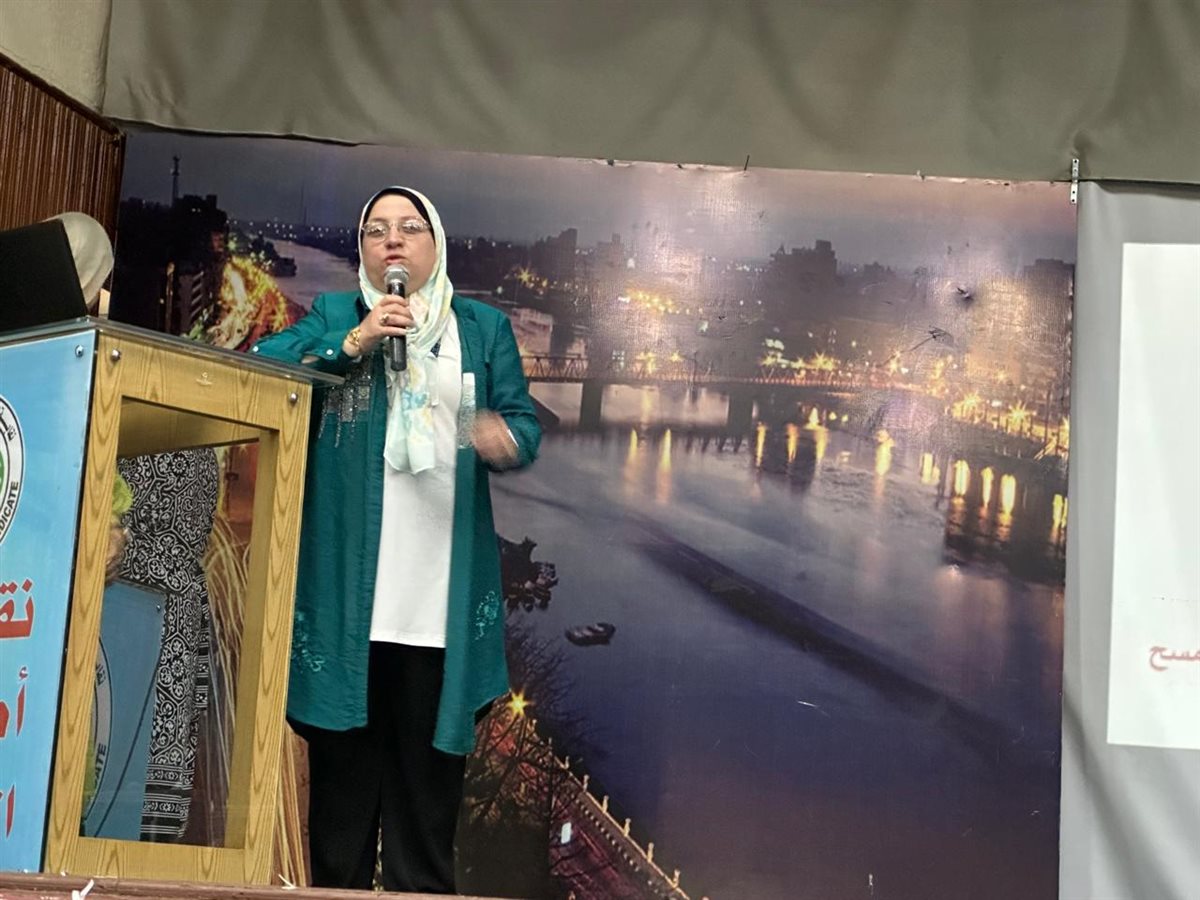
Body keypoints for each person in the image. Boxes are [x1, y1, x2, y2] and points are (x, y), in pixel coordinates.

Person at [251, 186, 540, 893]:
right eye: (376, 230)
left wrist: (500, 438)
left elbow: (523, 425)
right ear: (362, 250)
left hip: (437, 613)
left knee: (425, 834)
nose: (393, 241)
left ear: (435, 244)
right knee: (340, 831)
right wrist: (356, 341)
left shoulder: (481, 329)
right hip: (350, 613)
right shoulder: (335, 314)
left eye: (409, 228)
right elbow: (263, 367)